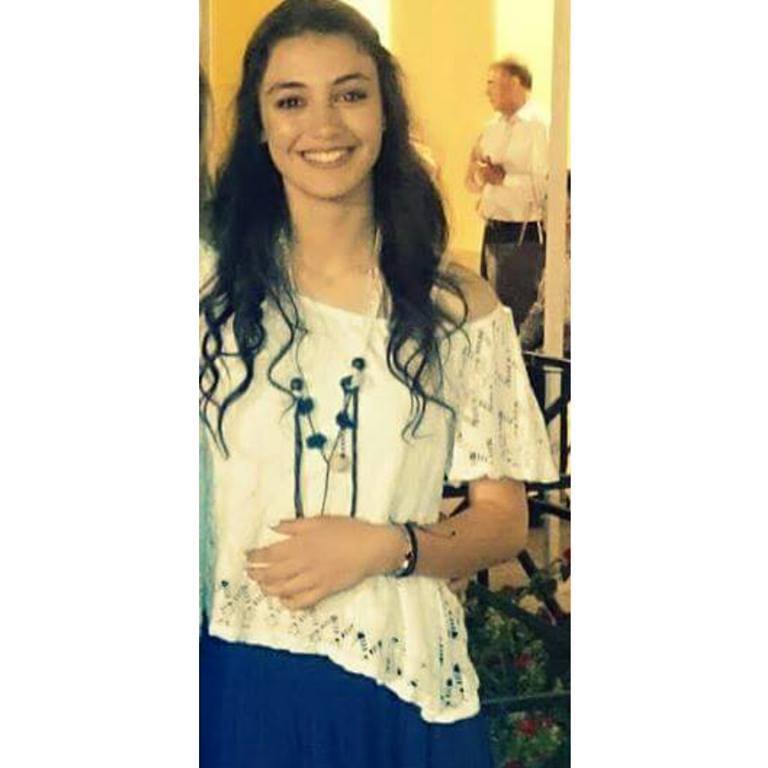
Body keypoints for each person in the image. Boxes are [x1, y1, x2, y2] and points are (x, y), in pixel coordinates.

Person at [199, 2, 557, 766]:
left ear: (385, 112)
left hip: (403, 683)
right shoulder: (209, 299)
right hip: (238, 682)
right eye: (290, 100)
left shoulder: (459, 309)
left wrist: (386, 547)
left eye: (351, 93)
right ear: (260, 126)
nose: (323, 124)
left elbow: (502, 520)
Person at [466, 56, 549, 331]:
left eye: (492, 83)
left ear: (515, 83)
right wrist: (480, 173)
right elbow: (474, 179)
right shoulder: (491, 127)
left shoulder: (539, 125)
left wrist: (504, 180)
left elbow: (546, 185)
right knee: (491, 314)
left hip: (523, 233)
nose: (486, 91)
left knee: (517, 318)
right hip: (492, 228)